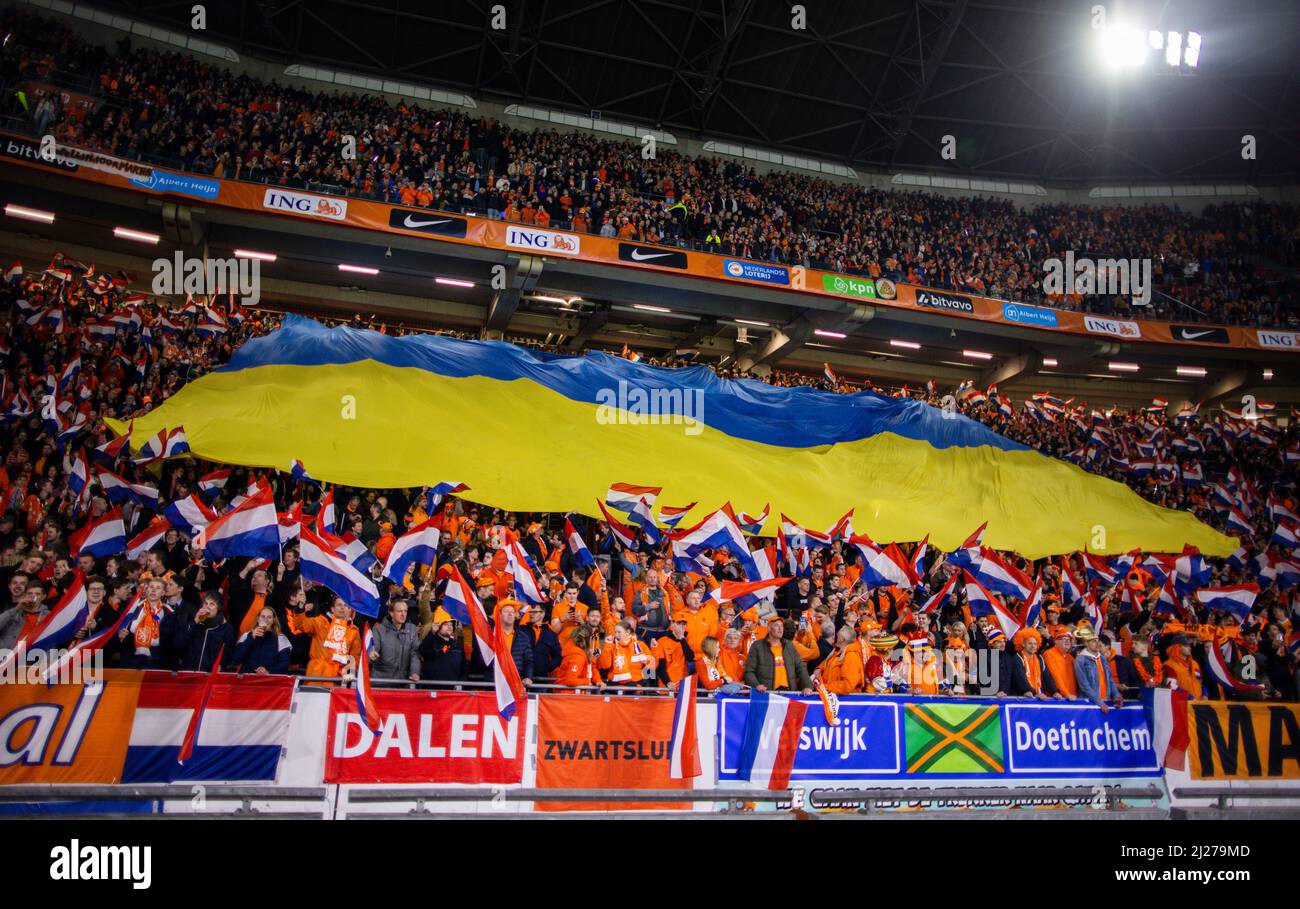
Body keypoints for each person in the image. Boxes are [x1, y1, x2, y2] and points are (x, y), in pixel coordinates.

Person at [287, 596, 362, 680]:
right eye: (339, 605)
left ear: (349, 610)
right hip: (317, 674)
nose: (342, 607)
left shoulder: (354, 630)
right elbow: (300, 624)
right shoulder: (321, 622)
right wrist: (300, 607)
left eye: (345, 605)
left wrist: (349, 677)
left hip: (338, 678)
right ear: (332, 609)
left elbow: (354, 657)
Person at [743, 616, 813, 694]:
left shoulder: (789, 645)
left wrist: (807, 686)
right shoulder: (757, 646)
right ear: (769, 628)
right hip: (767, 693)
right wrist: (756, 685)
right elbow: (749, 671)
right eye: (776, 625)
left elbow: (800, 668)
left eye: (781, 626)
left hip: (789, 693)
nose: (780, 629)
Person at [174, 592, 236, 672]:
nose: (207, 607)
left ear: (219, 608)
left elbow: (228, 653)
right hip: (189, 672)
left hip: (210, 675)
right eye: (205, 603)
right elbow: (178, 644)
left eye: (212, 604)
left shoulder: (226, 628)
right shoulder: (194, 623)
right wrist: (195, 621)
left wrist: (221, 665)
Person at [1074, 626, 1124, 712]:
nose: (1097, 644)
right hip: (1090, 704)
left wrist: (1116, 695)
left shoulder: (1102, 658)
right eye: (1094, 641)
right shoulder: (1080, 659)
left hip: (1106, 701)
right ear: (1086, 643)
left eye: (1098, 641)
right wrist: (1100, 703)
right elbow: (1084, 685)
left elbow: (1110, 680)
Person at [370, 599, 420, 681]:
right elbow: (374, 649)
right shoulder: (378, 629)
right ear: (391, 613)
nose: (403, 614)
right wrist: (372, 654)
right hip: (381, 682)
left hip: (404, 682)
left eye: (405, 611)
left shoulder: (412, 629)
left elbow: (414, 654)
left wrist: (414, 673)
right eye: (399, 611)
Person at [232, 606, 292, 674]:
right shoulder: (247, 635)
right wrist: (251, 638)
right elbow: (236, 658)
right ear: (258, 619)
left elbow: (285, 663)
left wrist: (268, 671)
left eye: (269, 617)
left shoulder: (280, 638)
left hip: (269, 679)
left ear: (273, 620)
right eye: (263, 616)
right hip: (247, 678)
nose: (265, 620)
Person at [599, 620, 656, 686]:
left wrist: (654, 649)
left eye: (619, 632)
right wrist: (607, 645)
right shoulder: (611, 646)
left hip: (635, 687)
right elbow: (605, 665)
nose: (616, 635)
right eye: (615, 632)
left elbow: (652, 666)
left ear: (627, 632)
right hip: (614, 687)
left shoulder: (641, 645)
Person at [1010, 628, 1059, 699]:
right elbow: (1020, 679)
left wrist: (1055, 692)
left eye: (1035, 644)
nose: (1033, 646)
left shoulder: (1040, 658)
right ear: (1023, 644)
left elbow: (1048, 677)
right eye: (1030, 643)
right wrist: (1033, 693)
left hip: (1039, 697)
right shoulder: (1017, 658)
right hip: (1023, 698)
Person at [419, 608, 465, 681]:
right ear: (438, 626)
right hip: (434, 690)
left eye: (451, 624)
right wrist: (432, 633)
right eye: (446, 624)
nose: (449, 627)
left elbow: (463, 669)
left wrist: (460, 685)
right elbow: (423, 650)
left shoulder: (457, 646)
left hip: (453, 690)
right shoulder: (432, 642)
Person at [817, 626, 865, 694]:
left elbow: (847, 685)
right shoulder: (839, 651)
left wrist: (825, 687)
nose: (836, 637)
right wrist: (819, 668)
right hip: (832, 695)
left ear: (842, 639)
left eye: (838, 636)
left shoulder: (851, 656)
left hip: (844, 700)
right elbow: (831, 662)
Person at [555, 624, 604, 689]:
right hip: (568, 695)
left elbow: (591, 667)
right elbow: (570, 681)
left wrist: (598, 681)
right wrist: (587, 682)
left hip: (573, 694)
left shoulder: (581, 652)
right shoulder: (577, 656)